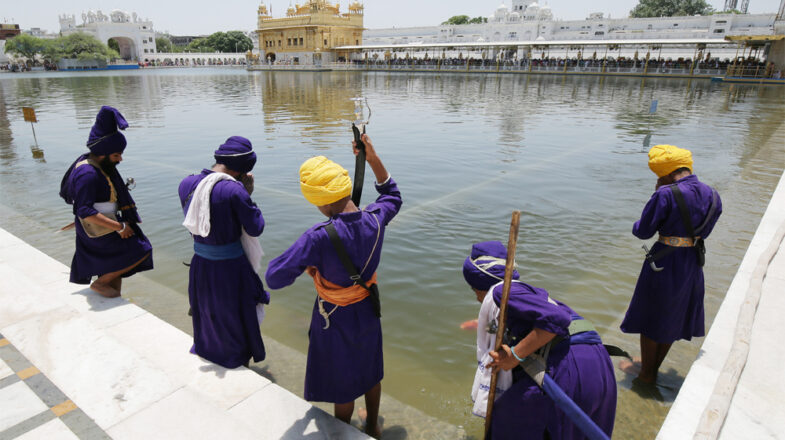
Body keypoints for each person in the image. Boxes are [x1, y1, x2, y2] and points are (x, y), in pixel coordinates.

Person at [265, 134, 401, 438]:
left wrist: (308, 266)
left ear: (320, 202)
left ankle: (343, 431)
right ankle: (372, 426)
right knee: (369, 367)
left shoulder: (317, 237)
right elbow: (392, 194)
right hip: (368, 307)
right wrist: (372, 157)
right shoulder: (375, 220)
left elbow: (274, 277)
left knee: (344, 379)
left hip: (334, 315)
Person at [464, 241, 616, 440]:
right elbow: (532, 319)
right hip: (595, 361)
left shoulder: (501, 292)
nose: (476, 297)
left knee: (506, 424)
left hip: (569, 366)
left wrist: (515, 356)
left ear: (480, 283)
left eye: (474, 289)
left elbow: (556, 319)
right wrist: (485, 325)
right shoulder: (523, 291)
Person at [621, 145, 722, 384]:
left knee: (650, 314)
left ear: (666, 173)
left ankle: (646, 375)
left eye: (658, 176)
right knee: (672, 315)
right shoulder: (713, 194)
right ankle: (652, 368)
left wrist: (649, 206)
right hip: (692, 261)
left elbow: (643, 231)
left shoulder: (665, 194)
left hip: (663, 260)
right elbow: (705, 231)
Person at [178, 136, 268, 369]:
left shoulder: (186, 184)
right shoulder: (233, 191)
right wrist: (247, 194)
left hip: (201, 262)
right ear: (243, 169)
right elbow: (255, 227)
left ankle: (208, 349)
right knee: (236, 315)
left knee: (208, 311)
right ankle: (236, 360)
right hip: (230, 266)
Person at [59, 106, 153, 298]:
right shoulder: (88, 173)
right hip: (97, 227)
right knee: (141, 249)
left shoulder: (98, 165)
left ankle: (112, 294)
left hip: (105, 220)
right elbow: (84, 210)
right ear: (103, 153)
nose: (120, 159)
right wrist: (119, 227)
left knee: (112, 264)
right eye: (116, 155)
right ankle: (101, 284)